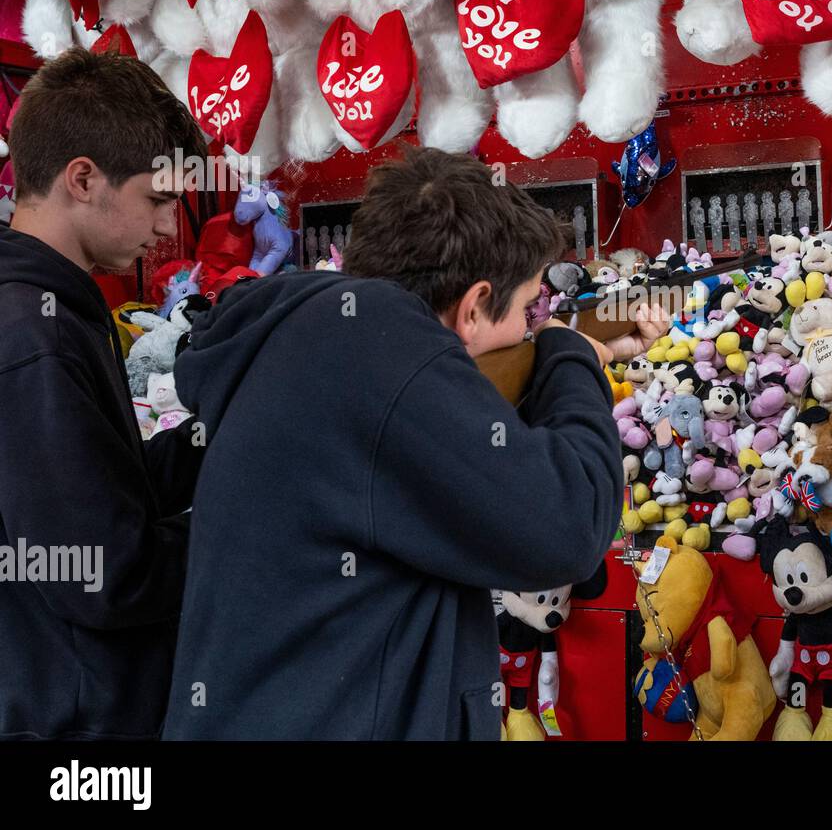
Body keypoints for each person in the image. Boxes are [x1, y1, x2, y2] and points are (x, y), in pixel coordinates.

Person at [163, 148, 666, 740]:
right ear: (475, 306)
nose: (532, 325)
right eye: (529, 309)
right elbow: (569, 526)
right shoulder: (384, 355)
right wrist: (574, 359)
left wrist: (578, 356)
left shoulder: (324, 339)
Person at [0, 48, 210, 739]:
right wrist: (243, 526)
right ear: (83, 179)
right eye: (155, 200)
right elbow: (104, 574)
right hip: (78, 730)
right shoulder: (36, 335)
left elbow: (99, 493)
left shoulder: (53, 310)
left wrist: (214, 441)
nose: (163, 228)